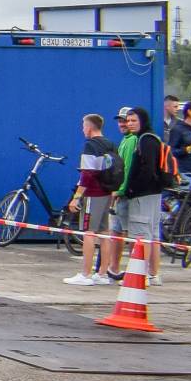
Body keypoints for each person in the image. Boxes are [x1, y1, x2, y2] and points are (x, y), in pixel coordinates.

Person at [111, 106, 170, 282]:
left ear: (143, 121)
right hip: (153, 193)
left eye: (134, 120)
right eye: (128, 121)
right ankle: (152, 275)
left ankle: (140, 276)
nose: (130, 124)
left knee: (140, 235)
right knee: (152, 234)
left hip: (143, 195)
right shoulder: (150, 138)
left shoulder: (145, 140)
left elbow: (147, 169)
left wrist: (131, 189)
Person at [64, 113, 123, 286]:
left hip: (93, 193)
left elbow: (87, 174)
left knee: (88, 232)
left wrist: (76, 197)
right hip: (107, 192)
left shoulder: (90, 145)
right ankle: (102, 273)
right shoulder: (110, 143)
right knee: (104, 233)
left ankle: (86, 274)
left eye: (83, 126)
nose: (82, 130)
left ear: (89, 127)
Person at [165, 98, 191, 182]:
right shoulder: (178, 129)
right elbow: (171, 152)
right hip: (186, 174)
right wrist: (189, 148)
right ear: (190, 111)